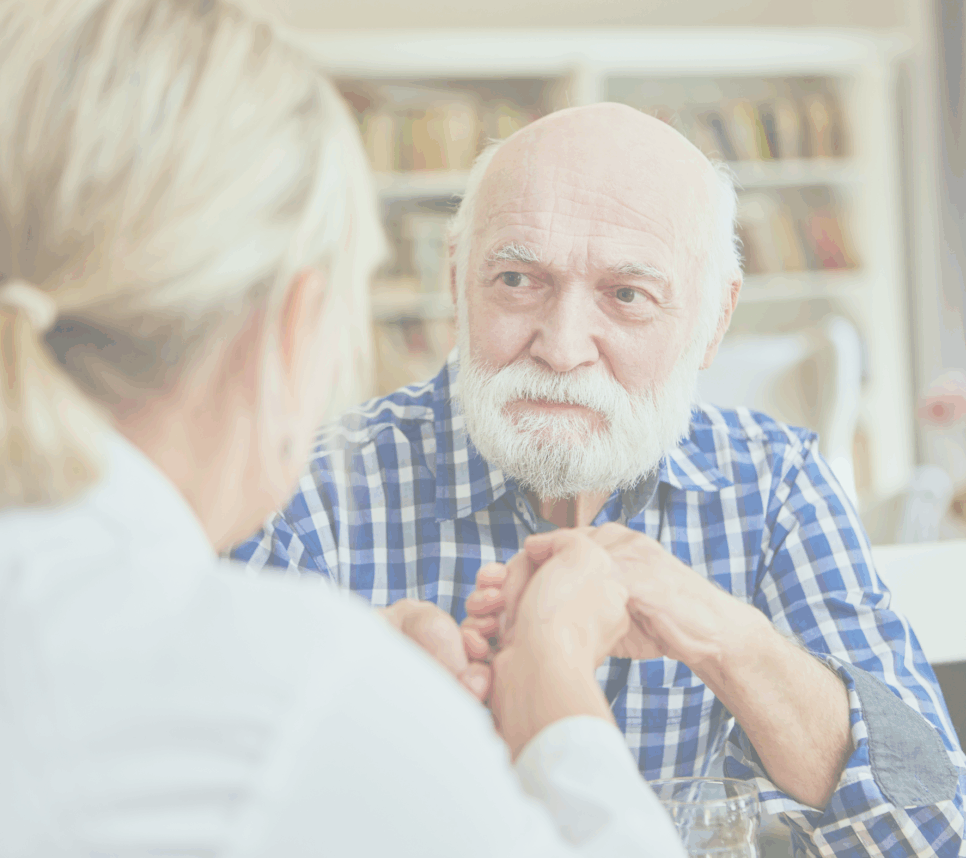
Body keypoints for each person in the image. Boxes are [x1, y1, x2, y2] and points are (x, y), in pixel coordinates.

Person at [0, 2, 690, 856]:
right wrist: (553, 681)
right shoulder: (296, 694)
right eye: (517, 279)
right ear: (290, 326)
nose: (560, 347)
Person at [235, 103, 966, 855]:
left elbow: (932, 834)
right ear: (456, 281)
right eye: (517, 279)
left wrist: (727, 639)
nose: (561, 347)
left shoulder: (774, 484)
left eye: (627, 296)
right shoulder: (302, 494)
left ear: (714, 319)